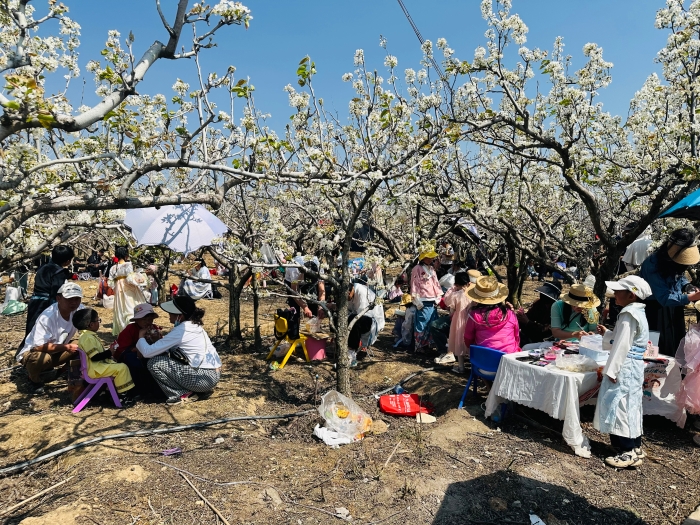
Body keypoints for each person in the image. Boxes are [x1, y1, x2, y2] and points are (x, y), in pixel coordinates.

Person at [594, 276, 652, 468]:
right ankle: (634, 446)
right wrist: (609, 334)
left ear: (631, 294)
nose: (615, 294)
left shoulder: (628, 314)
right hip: (633, 365)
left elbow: (623, 345)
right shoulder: (637, 312)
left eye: (620, 291)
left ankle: (626, 450)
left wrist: (611, 369)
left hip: (625, 366)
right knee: (631, 405)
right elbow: (624, 339)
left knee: (620, 405)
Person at [135, 295, 222, 404]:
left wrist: (141, 336)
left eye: (171, 313)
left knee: (154, 363)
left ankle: (180, 394)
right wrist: (157, 340)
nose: (168, 315)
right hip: (212, 376)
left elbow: (148, 353)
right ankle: (193, 390)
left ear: (179, 316)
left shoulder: (181, 330)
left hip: (202, 378)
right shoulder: (194, 326)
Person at [16, 281, 84, 394]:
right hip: (34, 352)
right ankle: (34, 380)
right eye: (69, 299)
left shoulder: (79, 310)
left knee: (83, 343)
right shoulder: (48, 317)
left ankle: (66, 371)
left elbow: (90, 322)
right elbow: (38, 346)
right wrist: (66, 347)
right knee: (41, 358)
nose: (73, 302)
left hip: (57, 350)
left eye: (77, 299)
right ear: (58, 298)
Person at [640, 228, 700, 356]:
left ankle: (675, 373)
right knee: (657, 350)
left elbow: (679, 277)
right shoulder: (652, 265)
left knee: (676, 345)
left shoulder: (673, 261)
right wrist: (691, 297)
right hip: (656, 311)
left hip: (674, 307)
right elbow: (664, 298)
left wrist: (688, 286)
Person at [73, 308, 137, 406]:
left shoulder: (88, 336)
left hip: (96, 368)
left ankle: (111, 394)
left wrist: (109, 352)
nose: (99, 323)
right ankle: (122, 397)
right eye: (98, 320)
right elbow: (95, 357)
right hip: (96, 370)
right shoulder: (87, 338)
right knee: (122, 368)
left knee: (118, 365)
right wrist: (109, 352)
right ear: (91, 324)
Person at [111, 303, 162, 396]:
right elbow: (121, 348)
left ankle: (155, 388)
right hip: (132, 356)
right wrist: (136, 347)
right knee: (133, 360)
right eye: (144, 319)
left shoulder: (153, 328)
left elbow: (161, 344)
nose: (147, 322)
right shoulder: (130, 329)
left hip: (149, 354)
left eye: (150, 319)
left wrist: (156, 339)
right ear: (137, 320)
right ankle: (137, 389)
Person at [24, 245, 74, 336]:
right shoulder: (59, 272)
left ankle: (28, 346)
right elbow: (56, 291)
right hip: (46, 303)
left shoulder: (43, 268)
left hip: (35, 302)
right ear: (67, 261)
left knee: (32, 327)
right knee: (45, 328)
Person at [464, 276, 520, 354]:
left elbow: (468, 338)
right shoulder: (510, 314)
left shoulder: (474, 315)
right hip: (509, 356)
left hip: (484, 357)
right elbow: (516, 336)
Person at [435, 271, 476, 373]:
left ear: (456, 284)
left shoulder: (456, 295)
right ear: (468, 282)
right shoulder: (473, 293)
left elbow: (448, 303)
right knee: (471, 342)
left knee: (459, 342)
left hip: (458, 320)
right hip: (472, 319)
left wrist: (452, 289)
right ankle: (474, 367)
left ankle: (461, 367)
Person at [410, 250, 443, 353]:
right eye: (428, 257)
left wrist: (438, 297)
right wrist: (417, 301)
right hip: (422, 300)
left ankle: (429, 344)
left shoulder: (432, 269)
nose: (430, 259)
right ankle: (420, 345)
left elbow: (436, 283)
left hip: (432, 299)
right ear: (423, 258)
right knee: (422, 322)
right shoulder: (417, 269)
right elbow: (414, 285)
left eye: (431, 257)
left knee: (432, 322)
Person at [109, 246, 147, 336]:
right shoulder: (128, 265)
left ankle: (124, 331)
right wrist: (143, 275)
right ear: (126, 256)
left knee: (121, 309)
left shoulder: (113, 268)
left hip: (119, 290)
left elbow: (110, 283)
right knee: (131, 307)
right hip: (128, 289)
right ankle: (133, 331)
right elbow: (130, 279)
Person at [348, 281, 386, 363]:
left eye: (348, 295)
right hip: (360, 317)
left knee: (354, 321)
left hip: (371, 319)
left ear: (350, 291)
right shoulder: (352, 292)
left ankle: (352, 352)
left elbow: (361, 314)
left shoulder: (362, 292)